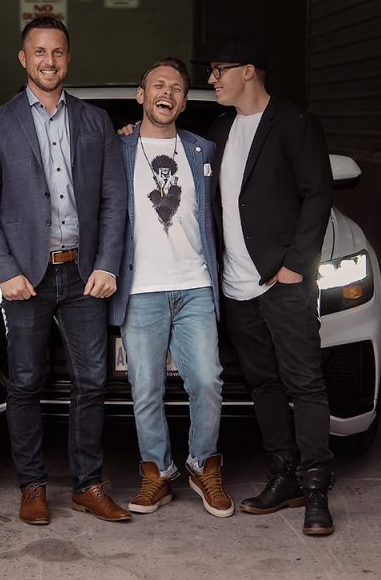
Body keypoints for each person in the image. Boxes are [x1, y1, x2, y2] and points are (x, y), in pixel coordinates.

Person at [0, 17, 129, 525]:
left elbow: (114, 198)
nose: (49, 61)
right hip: (26, 277)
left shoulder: (95, 121)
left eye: (57, 52)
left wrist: (106, 262)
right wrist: (4, 271)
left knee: (92, 381)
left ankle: (88, 485)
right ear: (23, 58)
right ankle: (32, 486)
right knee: (24, 383)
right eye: (39, 52)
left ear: (68, 58)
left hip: (83, 273)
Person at [203, 36, 336, 536]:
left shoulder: (296, 122)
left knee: (305, 384)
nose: (212, 79)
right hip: (236, 286)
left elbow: (318, 193)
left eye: (218, 70)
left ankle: (317, 486)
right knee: (263, 385)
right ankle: (284, 477)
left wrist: (296, 266)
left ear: (248, 71)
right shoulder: (219, 128)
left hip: (281, 282)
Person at [108, 58, 233, 518]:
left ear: (183, 102)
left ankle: (203, 465)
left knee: (207, 379)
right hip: (141, 287)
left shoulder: (203, 150)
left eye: (177, 88)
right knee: (145, 387)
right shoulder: (117, 148)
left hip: (195, 283)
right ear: (141, 96)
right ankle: (157, 473)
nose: (167, 93)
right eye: (158, 85)